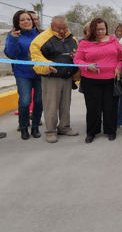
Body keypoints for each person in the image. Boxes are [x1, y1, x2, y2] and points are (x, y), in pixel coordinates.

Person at [30, 15, 80, 143]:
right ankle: (50, 131)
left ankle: (64, 127)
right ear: (52, 25)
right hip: (51, 77)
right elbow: (35, 58)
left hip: (67, 77)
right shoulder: (41, 39)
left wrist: (75, 57)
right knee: (51, 105)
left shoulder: (71, 38)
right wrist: (47, 66)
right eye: (58, 28)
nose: (62, 31)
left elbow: (78, 53)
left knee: (65, 105)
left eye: (64, 28)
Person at [74, 18, 122, 143]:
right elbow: (77, 60)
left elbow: (120, 57)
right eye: (97, 29)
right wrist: (87, 66)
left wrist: (118, 67)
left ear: (106, 29)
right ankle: (92, 132)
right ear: (92, 30)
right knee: (93, 108)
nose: (100, 32)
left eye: (103, 29)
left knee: (110, 107)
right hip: (91, 80)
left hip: (110, 80)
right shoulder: (85, 43)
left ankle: (111, 131)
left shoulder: (113, 40)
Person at [4, 10, 42, 140]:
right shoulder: (14, 35)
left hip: (40, 73)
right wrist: (14, 39)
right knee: (25, 101)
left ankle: (35, 126)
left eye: (28, 19)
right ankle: (24, 127)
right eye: (22, 20)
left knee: (38, 100)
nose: (26, 22)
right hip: (22, 74)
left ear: (33, 21)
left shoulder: (41, 34)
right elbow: (11, 54)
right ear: (17, 23)